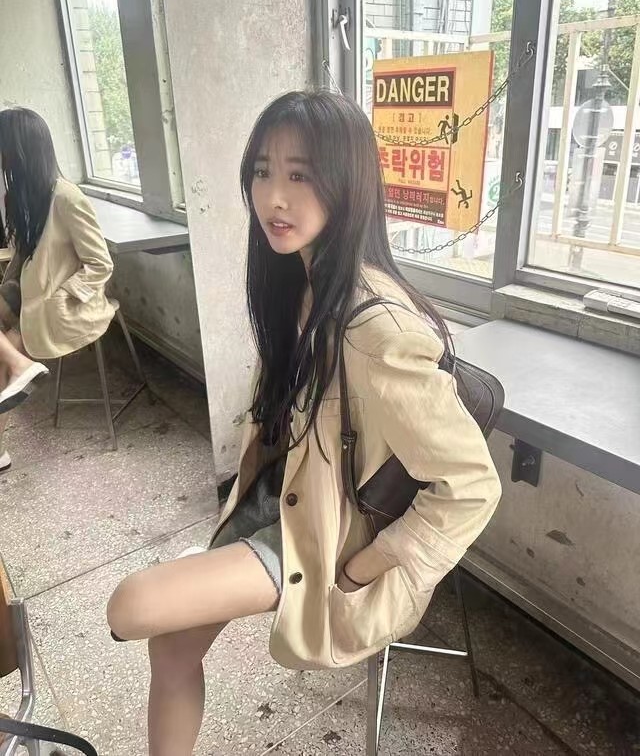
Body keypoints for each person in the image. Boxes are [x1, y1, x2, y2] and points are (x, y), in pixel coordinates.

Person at [107, 91, 502, 756]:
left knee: (133, 604)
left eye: (300, 175)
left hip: (328, 535)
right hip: (284, 494)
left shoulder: (375, 326)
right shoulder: (301, 281)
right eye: (263, 171)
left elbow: (472, 486)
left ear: (347, 185)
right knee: (171, 648)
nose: (274, 197)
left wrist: (365, 566)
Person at [0, 108, 115, 468]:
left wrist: (64, 296)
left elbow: (101, 263)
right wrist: (7, 290)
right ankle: (18, 364)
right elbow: (25, 254)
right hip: (28, 294)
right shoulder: (21, 196)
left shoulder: (67, 198)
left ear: (21, 150)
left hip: (57, 306)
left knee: (5, 349)